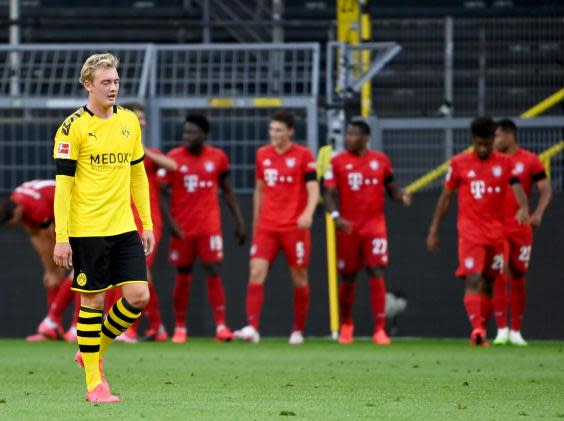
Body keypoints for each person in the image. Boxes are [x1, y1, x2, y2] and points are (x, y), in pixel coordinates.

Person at [53, 53, 154, 403]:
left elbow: (138, 174)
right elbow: (63, 188)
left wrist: (147, 223)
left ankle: (91, 352)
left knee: (139, 296)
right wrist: (61, 238)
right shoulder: (72, 128)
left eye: (115, 81)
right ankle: (95, 384)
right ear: (88, 85)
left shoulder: (128, 121)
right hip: (87, 229)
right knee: (93, 301)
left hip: (123, 227)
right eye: (106, 82)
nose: (113, 88)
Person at [427, 117, 529, 346]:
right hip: (470, 232)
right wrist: (434, 229)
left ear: (494, 140)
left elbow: (516, 186)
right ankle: (477, 329)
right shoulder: (459, 163)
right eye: (479, 143)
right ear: (473, 140)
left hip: (496, 232)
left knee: (489, 282)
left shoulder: (505, 163)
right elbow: (446, 197)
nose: (483, 148)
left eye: (487, 144)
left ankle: (480, 329)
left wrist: (523, 207)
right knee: (473, 278)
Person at [234, 109, 319, 345]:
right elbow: (259, 190)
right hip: (267, 227)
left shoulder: (303, 155)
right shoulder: (262, 154)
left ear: (290, 131)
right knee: (256, 272)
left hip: (294, 226)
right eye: (272, 129)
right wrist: (256, 222)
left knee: (299, 276)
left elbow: (313, 189)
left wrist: (308, 213)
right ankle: (252, 328)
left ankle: (298, 331)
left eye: (279, 130)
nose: (274, 134)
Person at [324, 119, 411, 345]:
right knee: (348, 277)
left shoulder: (381, 161)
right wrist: (336, 217)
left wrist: (402, 197)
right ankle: (346, 324)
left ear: (365, 138)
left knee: (376, 272)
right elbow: (329, 194)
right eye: (347, 134)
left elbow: (392, 191)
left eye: (354, 135)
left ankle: (380, 329)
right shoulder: (337, 162)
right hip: (348, 228)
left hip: (374, 227)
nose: (349, 139)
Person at [161, 113, 246, 344]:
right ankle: (180, 327)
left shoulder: (218, 158)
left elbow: (227, 191)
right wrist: (171, 224)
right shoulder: (173, 158)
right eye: (185, 132)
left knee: (213, 270)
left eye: (192, 132)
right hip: (183, 229)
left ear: (204, 134)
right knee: (183, 274)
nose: (187, 136)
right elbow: (161, 192)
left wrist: (239, 221)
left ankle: (221, 326)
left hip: (209, 227)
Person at [105, 102, 177, 343]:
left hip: (147, 222)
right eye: (137, 117)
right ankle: (158, 328)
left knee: (137, 274)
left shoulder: (147, 153)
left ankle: (130, 330)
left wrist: (140, 150)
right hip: (119, 220)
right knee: (133, 276)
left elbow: (174, 166)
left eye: (142, 118)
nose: (141, 122)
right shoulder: (112, 152)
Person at [491, 119, 552, 346]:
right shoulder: (491, 162)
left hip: (520, 228)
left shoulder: (530, 161)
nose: (494, 141)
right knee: (500, 273)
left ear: (509, 135)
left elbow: (546, 190)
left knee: (518, 277)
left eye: (497, 136)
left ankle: (516, 330)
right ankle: (501, 329)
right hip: (497, 227)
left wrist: (537, 213)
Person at [0, 179, 78, 342]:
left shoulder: (35, 208)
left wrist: (58, 267)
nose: (14, 226)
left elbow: (53, 236)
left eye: (12, 222)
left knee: (81, 272)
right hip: (60, 214)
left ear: (17, 212)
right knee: (53, 278)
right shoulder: (19, 205)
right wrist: (49, 269)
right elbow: (36, 237)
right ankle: (53, 325)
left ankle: (75, 326)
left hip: (76, 208)